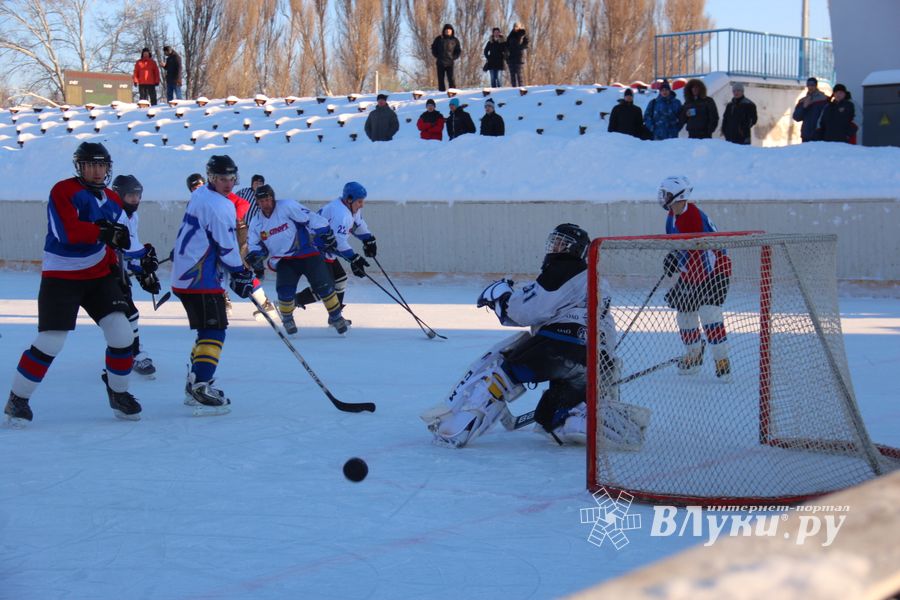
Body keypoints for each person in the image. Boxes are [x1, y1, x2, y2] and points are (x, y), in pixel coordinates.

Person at [421, 224, 649, 449]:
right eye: (555, 241)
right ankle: (583, 417)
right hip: (593, 358)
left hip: (558, 350)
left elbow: (527, 311)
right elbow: (596, 324)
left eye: (563, 243)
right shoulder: (594, 279)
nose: (556, 247)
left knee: (501, 374)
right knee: (552, 419)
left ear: (576, 250)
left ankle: (456, 431)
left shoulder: (564, 269)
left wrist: (502, 299)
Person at [5, 142, 142, 426]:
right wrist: (102, 232)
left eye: (101, 165)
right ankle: (18, 399)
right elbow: (66, 233)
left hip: (98, 275)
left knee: (122, 335)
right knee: (51, 341)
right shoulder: (63, 190)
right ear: (79, 167)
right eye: (90, 165)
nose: (96, 171)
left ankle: (119, 393)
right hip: (61, 276)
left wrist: (142, 260)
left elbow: (123, 239)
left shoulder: (112, 199)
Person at [171, 155, 266, 415]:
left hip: (187, 276)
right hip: (199, 278)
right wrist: (240, 271)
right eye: (221, 178)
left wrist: (237, 272)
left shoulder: (201, 194)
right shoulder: (219, 206)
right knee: (214, 331)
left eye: (231, 178)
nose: (228, 183)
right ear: (211, 178)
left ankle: (195, 384)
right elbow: (226, 248)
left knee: (207, 331)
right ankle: (201, 386)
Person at [245, 185, 346, 336]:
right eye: (262, 201)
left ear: (273, 198)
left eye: (268, 199)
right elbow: (254, 244)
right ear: (257, 202)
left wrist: (325, 231)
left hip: (307, 253)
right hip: (284, 260)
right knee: (284, 291)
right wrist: (255, 255)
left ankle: (336, 317)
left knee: (324, 285)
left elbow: (310, 217)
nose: (266, 204)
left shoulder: (287, 206)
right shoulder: (256, 222)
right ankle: (287, 319)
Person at [658, 176, 731, 381]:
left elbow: (703, 257)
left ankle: (722, 359)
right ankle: (694, 354)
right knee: (685, 314)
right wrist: (673, 258)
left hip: (714, 271)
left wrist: (688, 281)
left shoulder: (693, 217)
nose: (663, 197)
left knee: (709, 313)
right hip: (692, 271)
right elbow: (678, 246)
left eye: (666, 193)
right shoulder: (672, 215)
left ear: (678, 196)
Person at [294, 182, 374, 332]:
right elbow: (338, 242)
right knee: (325, 287)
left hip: (325, 250)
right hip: (314, 250)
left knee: (340, 279)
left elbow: (358, 223)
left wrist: (368, 239)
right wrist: (353, 258)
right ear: (349, 199)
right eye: (359, 201)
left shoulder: (349, 208)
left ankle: (335, 316)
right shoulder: (340, 214)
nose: (362, 205)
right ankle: (288, 303)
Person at [111, 174, 160, 378]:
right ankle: (132, 354)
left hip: (117, 270)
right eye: (130, 195)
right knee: (127, 313)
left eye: (138, 195)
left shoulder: (132, 216)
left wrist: (143, 270)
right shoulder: (115, 214)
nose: (135, 199)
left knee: (126, 314)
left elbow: (131, 249)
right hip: (104, 272)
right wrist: (143, 258)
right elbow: (123, 248)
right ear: (118, 195)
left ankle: (127, 353)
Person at [792, 77, 829, 143]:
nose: (810, 87)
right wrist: (804, 107)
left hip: (819, 134)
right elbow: (796, 117)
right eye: (808, 85)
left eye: (812, 85)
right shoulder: (803, 100)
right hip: (806, 134)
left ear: (816, 85)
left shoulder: (824, 99)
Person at [431, 24, 461, 92]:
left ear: (452, 31)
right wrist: (437, 55)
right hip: (440, 62)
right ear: (444, 31)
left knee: (451, 78)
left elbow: (458, 50)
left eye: (449, 30)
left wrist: (454, 57)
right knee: (441, 79)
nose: (447, 31)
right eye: (446, 30)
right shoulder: (439, 39)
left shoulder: (455, 40)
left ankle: (453, 92)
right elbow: (433, 48)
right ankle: (441, 92)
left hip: (450, 62)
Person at [506, 22, 529, 87]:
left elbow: (526, 44)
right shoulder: (510, 35)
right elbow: (507, 45)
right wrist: (506, 54)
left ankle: (521, 87)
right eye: (514, 26)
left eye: (516, 26)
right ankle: (513, 88)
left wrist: (520, 47)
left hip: (519, 57)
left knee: (519, 75)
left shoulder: (522, 34)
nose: (515, 28)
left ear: (519, 27)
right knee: (512, 75)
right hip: (511, 57)